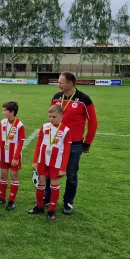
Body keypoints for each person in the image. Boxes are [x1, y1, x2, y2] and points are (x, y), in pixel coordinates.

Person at [45, 71, 98, 214]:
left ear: (70, 83)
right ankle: (47, 198)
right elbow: (50, 118)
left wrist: (87, 143)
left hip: (74, 144)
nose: (58, 84)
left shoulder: (84, 99)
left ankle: (68, 202)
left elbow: (93, 122)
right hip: (55, 142)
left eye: (61, 82)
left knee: (71, 175)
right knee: (50, 171)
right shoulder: (56, 97)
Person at [30, 104, 72, 221]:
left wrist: (63, 168)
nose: (51, 119)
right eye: (49, 116)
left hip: (56, 162)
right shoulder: (44, 127)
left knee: (54, 184)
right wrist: (35, 160)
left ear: (61, 116)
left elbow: (67, 151)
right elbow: (38, 144)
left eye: (54, 117)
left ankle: (52, 209)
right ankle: (39, 206)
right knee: (41, 182)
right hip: (43, 160)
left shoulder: (66, 131)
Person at [0, 101, 26, 211]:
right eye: (3, 110)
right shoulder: (2, 122)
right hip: (3, 154)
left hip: (13, 156)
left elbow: (21, 142)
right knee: (3, 175)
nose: (3, 112)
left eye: (5, 110)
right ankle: (2, 197)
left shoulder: (19, 125)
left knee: (14, 176)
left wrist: (16, 157)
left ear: (12, 112)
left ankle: (11, 200)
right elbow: (0, 138)